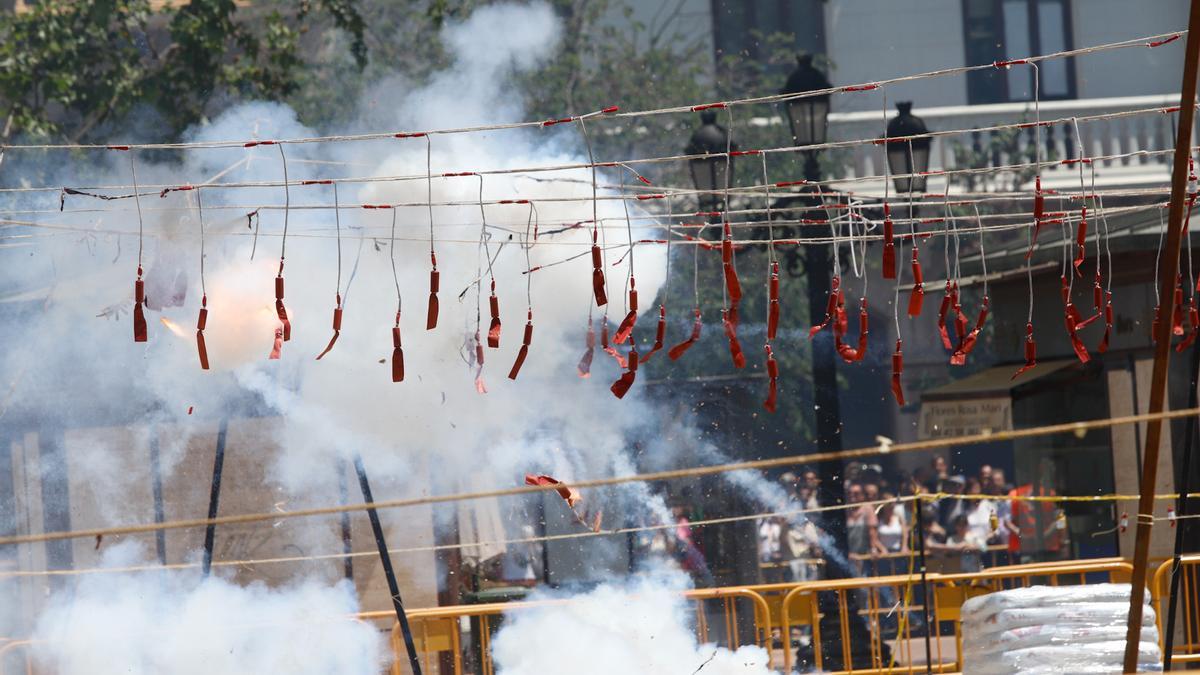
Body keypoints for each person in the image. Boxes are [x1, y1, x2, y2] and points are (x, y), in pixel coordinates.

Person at [846, 482, 884, 575]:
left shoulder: (867, 508)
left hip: (865, 556)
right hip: (849, 556)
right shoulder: (845, 509)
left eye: (856, 493)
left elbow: (872, 532)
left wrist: (874, 549)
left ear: (862, 495)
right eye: (850, 493)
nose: (852, 496)